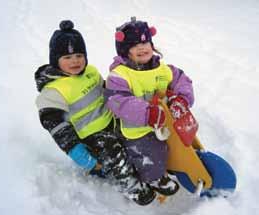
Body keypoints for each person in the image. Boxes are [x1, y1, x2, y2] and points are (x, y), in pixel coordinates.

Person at [34, 20, 157, 205]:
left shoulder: (91, 72)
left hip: (111, 122)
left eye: (78, 55)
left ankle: (149, 167)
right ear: (55, 60)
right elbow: (57, 126)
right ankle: (130, 185)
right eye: (67, 58)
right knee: (113, 151)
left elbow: (107, 93)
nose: (75, 61)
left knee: (136, 135)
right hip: (91, 137)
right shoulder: (53, 90)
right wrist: (76, 151)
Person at [106, 17, 195, 196]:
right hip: (138, 130)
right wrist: (147, 114)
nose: (142, 47)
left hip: (164, 123)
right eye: (134, 44)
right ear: (125, 51)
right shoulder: (119, 75)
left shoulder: (163, 69)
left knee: (178, 140)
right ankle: (153, 177)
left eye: (146, 42)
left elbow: (182, 80)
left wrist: (182, 100)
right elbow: (118, 101)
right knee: (152, 152)